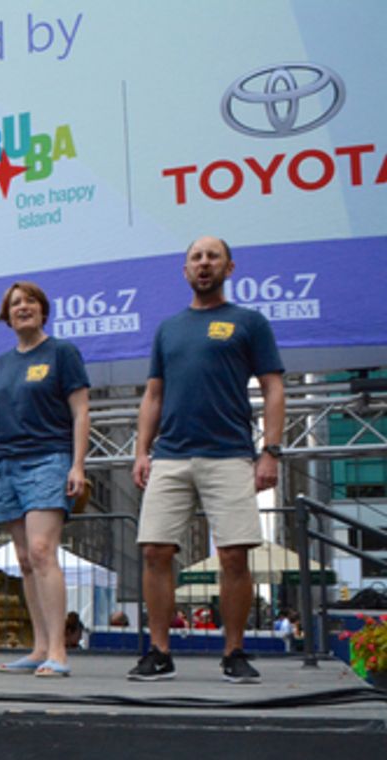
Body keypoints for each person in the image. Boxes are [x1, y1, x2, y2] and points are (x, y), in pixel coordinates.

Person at [130, 236, 285, 683]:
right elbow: (153, 394)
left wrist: (269, 451)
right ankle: (159, 652)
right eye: (196, 258)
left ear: (229, 267)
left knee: (234, 556)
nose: (204, 263)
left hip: (230, 455)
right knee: (156, 550)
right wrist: (142, 451)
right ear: (185, 271)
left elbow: (273, 387)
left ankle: (234, 652)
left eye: (212, 257)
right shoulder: (169, 328)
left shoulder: (248, 322)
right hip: (171, 457)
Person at [0, 281, 90, 678]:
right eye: (15, 303)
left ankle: (59, 650)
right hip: (6, 465)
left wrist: (77, 465)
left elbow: (80, 412)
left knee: (42, 550)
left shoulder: (62, 353)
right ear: (6, 316)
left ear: (43, 309)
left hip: (48, 460)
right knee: (23, 561)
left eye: (31, 301)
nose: (23, 307)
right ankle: (39, 647)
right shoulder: (1, 365)